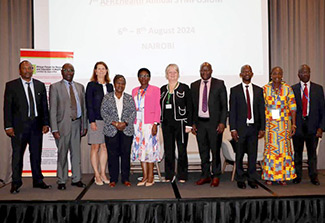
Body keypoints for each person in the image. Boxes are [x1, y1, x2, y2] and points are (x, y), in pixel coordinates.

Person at [4, 60, 51, 194]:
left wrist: (46, 123)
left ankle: (38, 181)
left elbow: (44, 107)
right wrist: (8, 126)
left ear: (32, 70)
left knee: (36, 155)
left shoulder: (40, 85)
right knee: (17, 156)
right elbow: (7, 108)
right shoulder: (12, 85)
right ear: (20, 71)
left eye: (30, 68)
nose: (27, 71)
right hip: (18, 128)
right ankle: (16, 183)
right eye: (24, 68)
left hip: (36, 126)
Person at [49, 63, 88, 190]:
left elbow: (84, 108)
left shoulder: (80, 87)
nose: (69, 72)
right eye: (66, 70)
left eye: (71, 70)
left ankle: (76, 179)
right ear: (62, 72)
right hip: (62, 125)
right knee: (62, 153)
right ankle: (62, 180)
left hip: (77, 123)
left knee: (76, 153)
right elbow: (53, 109)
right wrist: (54, 128)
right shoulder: (55, 87)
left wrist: (84, 125)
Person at [190, 62, 228, 187]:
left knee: (215, 150)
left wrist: (222, 122)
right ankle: (205, 175)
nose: (204, 72)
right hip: (200, 123)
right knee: (203, 151)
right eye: (202, 70)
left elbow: (224, 105)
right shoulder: (194, 85)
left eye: (207, 70)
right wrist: (193, 123)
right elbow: (192, 107)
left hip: (214, 124)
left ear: (211, 71)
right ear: (200, 71)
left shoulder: (219, 84)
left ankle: (216, 175)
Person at [229, 65, 265, 189]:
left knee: (252, 155)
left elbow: (261, 111)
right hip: (240, 128)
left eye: (249, 71)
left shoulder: (259, 90)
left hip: (254, 128)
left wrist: (262, 128)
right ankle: (240, 178)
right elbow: (232, 111)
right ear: (241, 74)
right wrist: (233, 129)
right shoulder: (235, 90)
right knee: (239, 154)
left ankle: (251, 178)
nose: (246, 73)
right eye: (244, 71)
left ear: (252, 73)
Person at [262, 66, 297, 185]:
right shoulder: (265, 89)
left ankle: (283, 176)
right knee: (271, 151)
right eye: (274, 74)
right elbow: (261, 108)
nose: (277, 76)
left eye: (279, 74)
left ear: (282, 75)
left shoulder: (288, 89)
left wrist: (293, 125)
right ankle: (269, 176)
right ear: (271, 75)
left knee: (283, 151)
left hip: (283, 125)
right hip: (270, 125)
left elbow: (293, 107)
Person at [291, 64, 325, 185]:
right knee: (297, 153)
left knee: (312, 154)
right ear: (298, 75)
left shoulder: (318, 89)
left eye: (307, 72)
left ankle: (313, 176)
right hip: (298, 127)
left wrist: (321, 127)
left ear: (310, 74)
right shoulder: (293, 89)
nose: (305, 74)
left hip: (313, 127)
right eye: (302, 72)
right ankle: (297, 176)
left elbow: (323, 110)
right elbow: (290, 110)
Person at [101, 75, 136, 187]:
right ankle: (113, 179)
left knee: (126, 155)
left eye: (122, 83)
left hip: (126, 130)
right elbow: (103, 112)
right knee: (112, 155)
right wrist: (115, 123)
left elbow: (133, 113)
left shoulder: (129, 98)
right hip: (111, 130)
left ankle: (126, 178)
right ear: (114, 84)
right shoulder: (107, 98)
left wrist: (124, 123)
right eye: (118, 83)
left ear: (124, 85)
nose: (120, 85)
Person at [160, 64, 192, 183]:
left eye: (175, 72)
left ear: (178, 74)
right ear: (166, 75)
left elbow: (190, 107)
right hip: (167, 125)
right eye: (170, 72)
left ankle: (182, 175)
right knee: (169, 150)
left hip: (181, 124)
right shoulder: (163, 89)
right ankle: (169, 175)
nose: (172, 74)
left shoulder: (184, 88)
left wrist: (189, 124)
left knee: (182, 150)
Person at [131, 68, 161, 187]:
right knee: (141, 151)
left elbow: (157, 108)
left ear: (149, 77)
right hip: (137, 124)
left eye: (146, 75)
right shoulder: (134, 91)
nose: (144, 78)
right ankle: (144, 176)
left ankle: (151, 177)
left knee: (149, 151)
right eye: (141, 76)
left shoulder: (155, 90)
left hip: (149, 124)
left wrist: (155, 123)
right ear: (138, 78)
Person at [85, 61, 113, 185]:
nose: (101, 71)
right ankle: (96, 174)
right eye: (99, 69)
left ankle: (103, 173)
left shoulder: (110, 86)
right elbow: (89, 104)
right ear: (95, 71)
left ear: (106, 71)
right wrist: (92, 121)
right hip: (96, 120)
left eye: (103, 68)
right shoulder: (91, 85)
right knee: (95, 147)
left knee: (104, 147)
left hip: (108, 121)